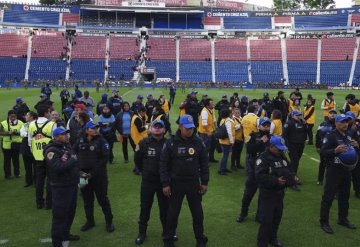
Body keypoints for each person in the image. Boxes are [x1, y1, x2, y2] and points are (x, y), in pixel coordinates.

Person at [160, 114, 209, 247]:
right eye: (187, 128)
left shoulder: (199, 142)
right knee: (172, 214)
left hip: (193, 183)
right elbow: (163, 164)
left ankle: (200, 239)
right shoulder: (171, 142)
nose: (190, 130)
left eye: (191, 128)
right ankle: (169, 240)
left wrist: (204, 182)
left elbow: (204, 162)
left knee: (198, 213)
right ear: (180, 127)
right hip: (176, 183)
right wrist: (165, 183)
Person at [320, 114, 359, 234]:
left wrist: (357, 146)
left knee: (344, 197)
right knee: (328, 197)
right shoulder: (330, 135)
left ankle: (343, 219)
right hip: (334, 171)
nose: (345, 124)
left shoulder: (348, 136)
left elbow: (351, 152)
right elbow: (323, 152)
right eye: (342, 122)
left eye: (346, 122)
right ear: (336, 123)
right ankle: (324, 222)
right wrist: (334, 151)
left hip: (346, 171)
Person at [74, 121, 115, 233]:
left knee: (102, 200)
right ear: (87, 130)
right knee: (87, 200)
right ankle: (90, 221)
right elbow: (74, 154)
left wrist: (92, 173)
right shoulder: (80, 140)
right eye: (93, 128)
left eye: (97, 128)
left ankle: (109, 221)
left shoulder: (102, 141)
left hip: (98, 176)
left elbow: (104, 159)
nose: (96, 130)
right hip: (83, 175)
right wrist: (79, 171)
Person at [256, 136, 296, 247]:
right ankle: (262, 242)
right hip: (268, 194)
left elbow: (288, 169)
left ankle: (272, 238)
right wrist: (275, 181)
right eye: (279, 148)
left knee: (277, 217)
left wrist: (292, 178)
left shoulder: (281, 156)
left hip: (279, 194)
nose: (281, 150)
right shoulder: (263, 158)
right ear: (271, 147)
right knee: (266, 220)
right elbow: (259, 176)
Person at [134, 120, 168, 245]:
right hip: (148, 181)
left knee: (165, 209)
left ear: (164, 130)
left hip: (163, 182)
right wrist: (146, 171)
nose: (158, 129)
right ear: (151, 129)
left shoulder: (168, 144)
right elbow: (137, 160)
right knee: (145, 208)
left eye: (160, 127)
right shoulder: (143, 143)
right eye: (155, 127)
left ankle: (167, 232)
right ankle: (142, 233)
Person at [44, 127, 80, 247]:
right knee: (59, 216)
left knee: (70, 211)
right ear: (56, 137)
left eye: (67, 133)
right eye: (63, 134)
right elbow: (58, 167)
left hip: (72, 184)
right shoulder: (51, 150)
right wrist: (73, 160)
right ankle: (57, 243)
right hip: (61, 187)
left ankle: (65, 234)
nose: (67, 136)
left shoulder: (66, 146)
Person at [236, 118, 271, 223]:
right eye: (264, 125)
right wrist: (261, 142)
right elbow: (249, 150)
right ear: (259, 126)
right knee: (247, 195)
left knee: (263, 196)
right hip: (254, 171)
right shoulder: (253, 135)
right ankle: (243, 213)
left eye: (268, 125)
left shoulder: (273, 137)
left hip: (266, 172)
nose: (266, 127)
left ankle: (259, 216)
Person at [28, 105, 56, 209]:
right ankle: (49, 203)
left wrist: (34, 152)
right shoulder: (52, 124)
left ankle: (39, 202)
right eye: (48, 111)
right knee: (50, 180)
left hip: (38, 156)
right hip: (50, 156)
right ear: (46, 113)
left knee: (39, 180)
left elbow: (30, 141)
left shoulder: (31, 125)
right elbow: (55, 140)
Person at [283, 110, 307, 190]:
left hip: (300, 145)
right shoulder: (288, 123)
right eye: (297, 115)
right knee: (294, 162)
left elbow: (306, 131)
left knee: (296, 162)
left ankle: (292, 176)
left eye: (300, 115)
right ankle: (292, 181)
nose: (299, 116)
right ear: (293, 116)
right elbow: (285, 135)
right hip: (292, 145)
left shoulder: (301, 123)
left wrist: (305, 123)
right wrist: (287, 146)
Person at [0, 110, 24, 179]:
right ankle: (7, 175)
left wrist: (15, 133)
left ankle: (17, 173)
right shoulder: (3, 123)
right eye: (11, 116)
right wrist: (7, 133)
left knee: (16, 159)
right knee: (7, 160)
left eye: (14, 116)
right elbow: (0, 132)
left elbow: (24, 132)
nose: (13, 118)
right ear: (8, 116)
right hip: (6, 145)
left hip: (16, 144)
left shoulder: (20, 123)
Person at [315, 110, 337, 185]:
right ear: (328, 115)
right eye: (331, 113)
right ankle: (320, 179)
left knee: (333, 165)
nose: (332, 115)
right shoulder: (323, 124)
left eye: (334, 114)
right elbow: (318, 135)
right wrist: (317, 146)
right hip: (324, 147)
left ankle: (331, 181)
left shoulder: (338, 124)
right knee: (322, 164)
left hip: (334, 148)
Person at [20, 111, 37, 187]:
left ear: (32, 117)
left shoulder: (37, 124)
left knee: (36, 166)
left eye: (27, 115)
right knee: (27, 165)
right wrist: (29, 134)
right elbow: (22, 133)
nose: (25, 116)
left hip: (35, 146)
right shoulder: (25, 124)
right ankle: (28, 181)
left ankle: (37, 181)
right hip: (26, 146)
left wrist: (28, 134)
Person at [130, 106, 148, 175]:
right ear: (141, 112)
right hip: (138, 140)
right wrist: (146, 127)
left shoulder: (135, 116)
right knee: (138, 155)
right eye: (144, 112)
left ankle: (136, 168)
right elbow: (140, 130)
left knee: (137, 153)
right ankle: (138, 169)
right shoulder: (137, 118)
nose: (145, 114)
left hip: (136, 139)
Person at [218, 109, 235, 175]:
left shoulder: (223, 120)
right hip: (226, 141)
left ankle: (224, 168)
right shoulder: (228, 121)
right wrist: (232, 141)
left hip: (223, 140)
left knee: (225, 155)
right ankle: (221, 170)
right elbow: (229, 132)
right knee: (225, 156)